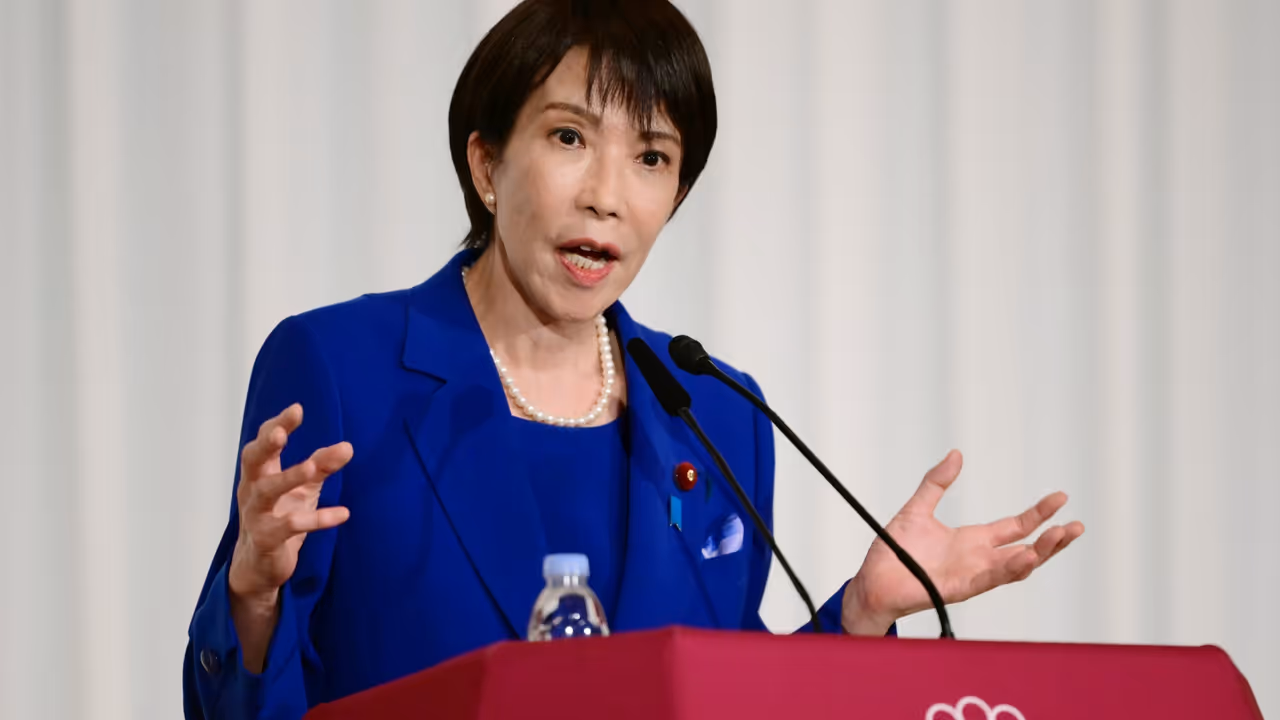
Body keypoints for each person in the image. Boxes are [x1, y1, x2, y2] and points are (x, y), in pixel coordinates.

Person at [183, 1, 1085, 717]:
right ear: (487, 166)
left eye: (651, 156)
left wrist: (861, 613)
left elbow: (729, 696)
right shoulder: (341, 369)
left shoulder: (715, 411)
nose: (608, 196)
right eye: (570, 138)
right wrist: (252, 594)